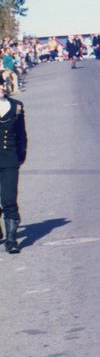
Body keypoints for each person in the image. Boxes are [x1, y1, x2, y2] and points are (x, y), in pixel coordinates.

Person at [0, 77, 27, 253]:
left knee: (9, 199)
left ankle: (11, 240)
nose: (0, 88)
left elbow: (21, 134)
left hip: (9, 159)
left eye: (1, 85)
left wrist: (21, 156)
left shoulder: (16, 106)